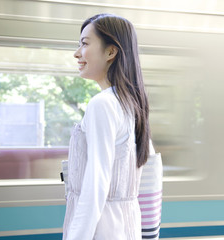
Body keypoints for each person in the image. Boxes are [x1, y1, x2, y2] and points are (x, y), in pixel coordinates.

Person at [62, 13, 156, 239]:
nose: (77, 53)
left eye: (84, 43)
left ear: (111, 52)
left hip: (101, 229)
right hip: (125, 225)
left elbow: (96, 185)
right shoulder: (130, 103)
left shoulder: (103, 104)